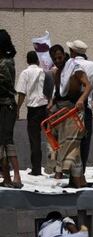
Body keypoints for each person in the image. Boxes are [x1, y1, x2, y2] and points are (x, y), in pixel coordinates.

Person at [48, 44, 92, 188]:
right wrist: (51, 104)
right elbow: (56, 92)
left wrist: (81, 100)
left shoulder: (74, 67)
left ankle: (79, 181)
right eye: (54, 59)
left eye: (59, 57)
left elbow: (88, 85)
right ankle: (78, 180)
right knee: (61, 146)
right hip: (60, 111)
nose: (57, 60)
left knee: (73, 147)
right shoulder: (56, 72)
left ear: (65, 55)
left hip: (73, 109)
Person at [66, 40, 93, 173]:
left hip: (71, 106)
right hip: (86, 106)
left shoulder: (70, 64)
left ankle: (70, 172)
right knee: (85, 140)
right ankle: (82, 172)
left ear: (73, 52)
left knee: (71, 139)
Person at [16, 51, 49, 176]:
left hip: (33, 110)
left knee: (34, 140)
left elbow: (22, 93)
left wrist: (18, 109)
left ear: (27, 61)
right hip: (45, 108)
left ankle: (36, 169)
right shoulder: (44, 72)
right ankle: (58, 168)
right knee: (52, 138)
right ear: (37, 60)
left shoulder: (25, 73)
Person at [0, 29, 22, 188]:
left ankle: (17, 176)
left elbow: (6, 84)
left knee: (7, 140)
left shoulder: (6, 61)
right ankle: (6, 176)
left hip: (6, 104)